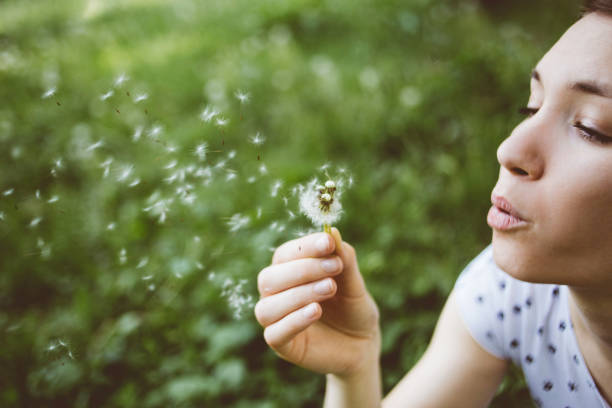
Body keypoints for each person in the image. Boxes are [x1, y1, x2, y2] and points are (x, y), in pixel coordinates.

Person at [254, 1, 612, 406]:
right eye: (531, 107)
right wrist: (354, 365)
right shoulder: (510, 295)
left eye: (590, 128)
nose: (509, 149)